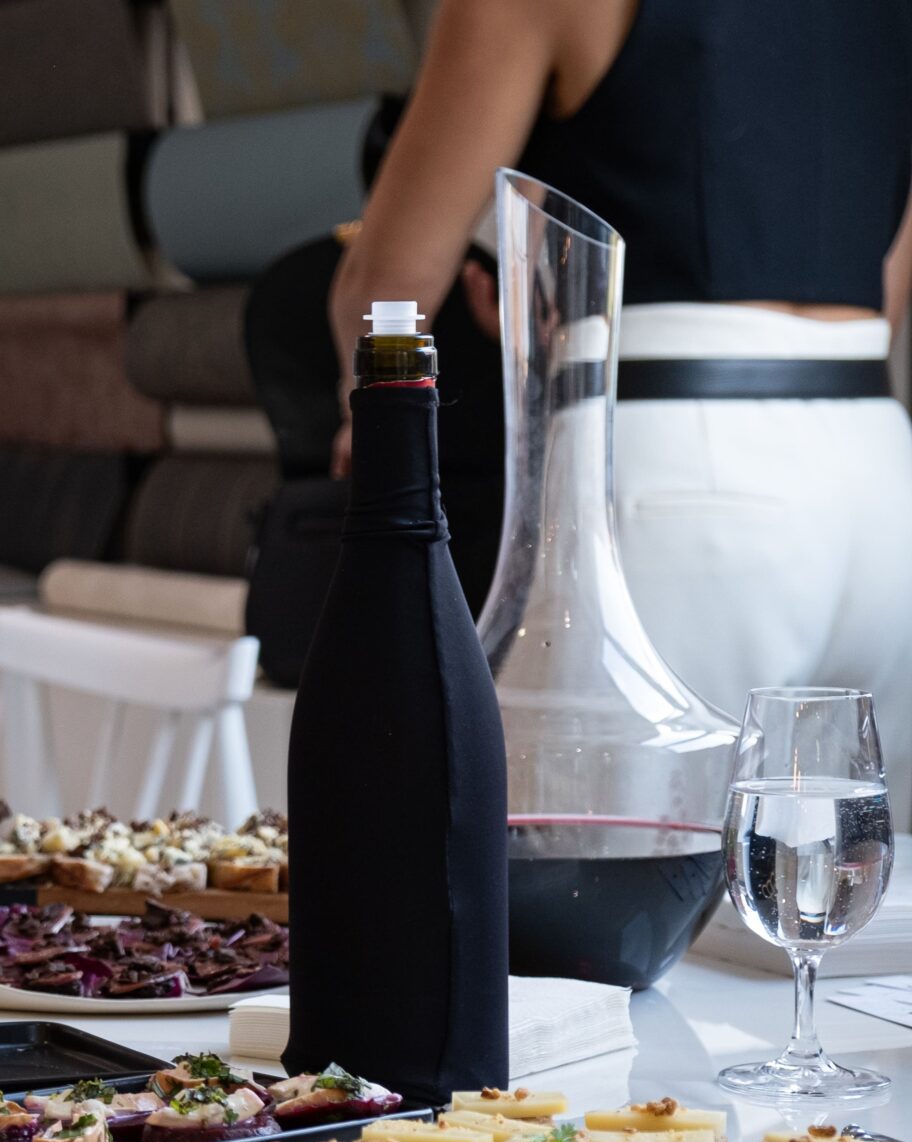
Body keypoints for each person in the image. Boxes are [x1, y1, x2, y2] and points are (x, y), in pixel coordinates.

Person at [331, 0, 912, 802]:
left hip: (674, 475)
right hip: (881, 477)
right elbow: (886, 285)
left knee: (596, 898)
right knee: (852, 908)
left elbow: (387, 283)